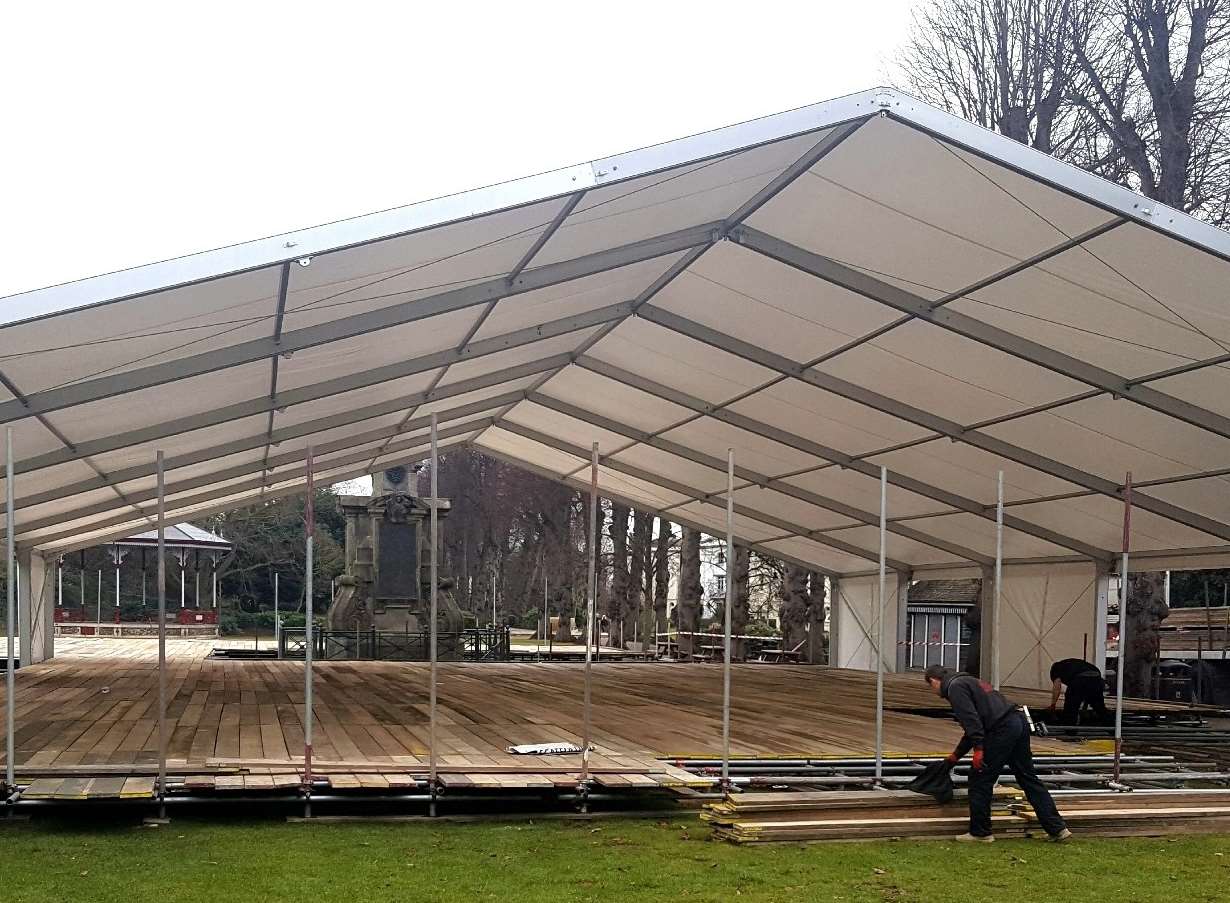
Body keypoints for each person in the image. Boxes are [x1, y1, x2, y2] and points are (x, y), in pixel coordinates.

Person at [924, 664, 1070, 843]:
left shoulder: (955, 688)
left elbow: (972, 722)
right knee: (1027, 777)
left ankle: (980, 832)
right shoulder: (969, 680)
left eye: (930, 687)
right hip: (1017, 721)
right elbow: (977, 724)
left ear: (933, 681)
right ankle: (1057, 828)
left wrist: (978, 750)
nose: (933, 692)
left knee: (979, 778)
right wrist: (956, 755)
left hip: (1001, 729)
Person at [1048, 658, 1107, 724]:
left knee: (1070, 707)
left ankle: (1070, 728)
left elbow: (1057, 687)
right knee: (1099, 707)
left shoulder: (1056, 669)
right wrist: (1084, 709)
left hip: (1080, 678)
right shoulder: (1071, 664)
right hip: (1096, 677)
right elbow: (1086, 692)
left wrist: (1053, 704)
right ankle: (1112, 726)